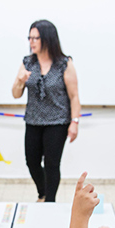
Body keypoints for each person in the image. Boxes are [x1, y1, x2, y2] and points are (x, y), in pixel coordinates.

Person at [12, 20, 81, 202]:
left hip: (57, 122)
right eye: (30, 38)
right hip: (33, 120)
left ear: (48, 39)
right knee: (32, 162)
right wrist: (20, 81)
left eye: (36, 38)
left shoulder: (64, 64)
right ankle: (42, 193)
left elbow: (74, 96)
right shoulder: (27, 62)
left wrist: (75, 122)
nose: (31, 42)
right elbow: (16, 94)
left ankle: (50, 200)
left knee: (51, 164)